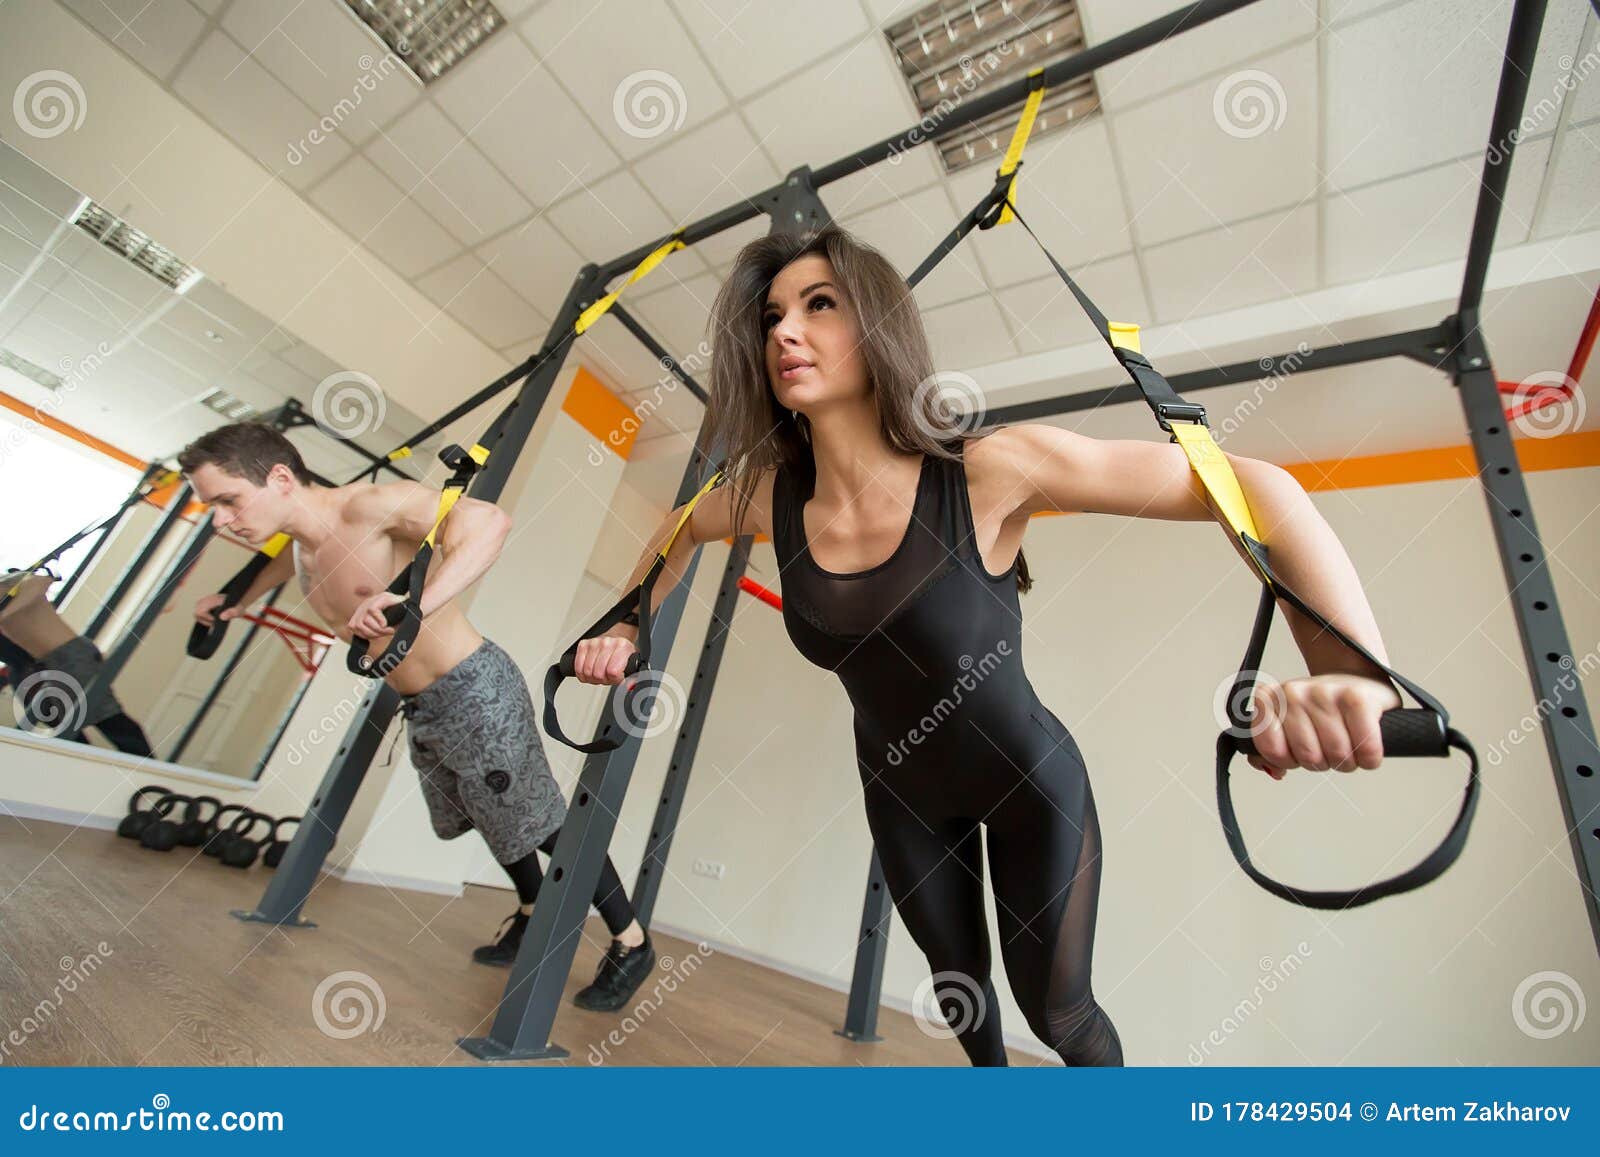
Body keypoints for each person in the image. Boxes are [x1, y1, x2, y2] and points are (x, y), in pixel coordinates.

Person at [569, 225, 1407, 1066]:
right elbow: (677, 528)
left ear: (878, 328)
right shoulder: (767, 501)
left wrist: (1352, 673)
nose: (784, 331)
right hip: (902, 796)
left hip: (1030, 789)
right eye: (773, 316)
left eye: (819, 305)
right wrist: (627, 619)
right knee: (967, 1006)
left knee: (1060, 1017)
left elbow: (1260, 490)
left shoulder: (992, 471)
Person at [178, 423, 654, 1011]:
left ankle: (631, 942)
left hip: (475, 687)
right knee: (482, 813)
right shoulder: (300, 546)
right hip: (421, 704)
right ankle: (532, 909)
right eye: (212, 508)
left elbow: (489, 524)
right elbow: (287, 564)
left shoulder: (370, 504)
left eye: (227, 501)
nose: (221, 520)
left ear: (279, 478)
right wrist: (234, 601)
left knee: (544, 820)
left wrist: (414, 605)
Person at [0, 569, 154, 756]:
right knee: (61, 728)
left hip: (70, 654)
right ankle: (89, 769)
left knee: (109, 720)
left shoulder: (14, 582)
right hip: (38, 666)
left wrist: (5, 610)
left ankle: (148, 770)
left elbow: (40, 582)